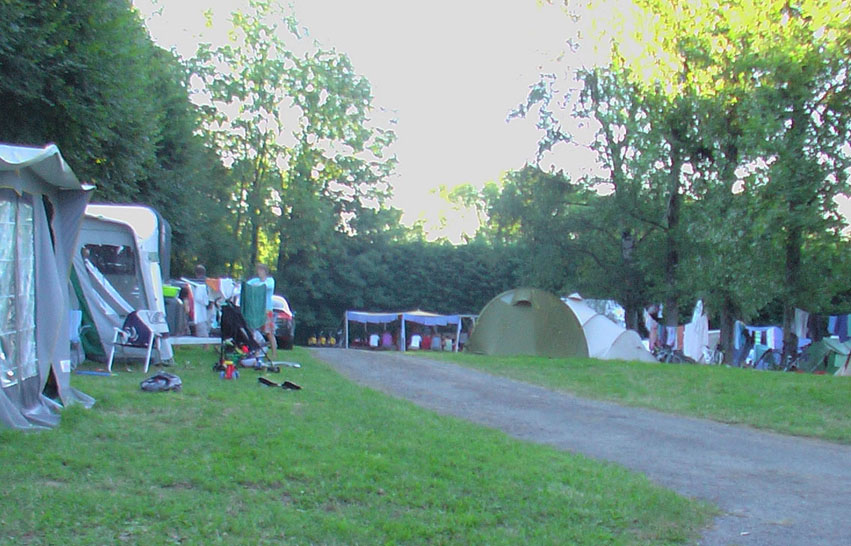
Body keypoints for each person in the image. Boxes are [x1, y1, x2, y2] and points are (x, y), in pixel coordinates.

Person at [247, 263, 277, 358]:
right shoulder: (254, 280)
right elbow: (247, 285)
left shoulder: (270, 281)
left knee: (269, 333)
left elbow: (265, 286)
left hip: (267, 310)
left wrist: (256, 285)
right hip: (257, 309)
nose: (259, 272)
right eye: (258, 270)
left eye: (260, 270)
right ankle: (255, 351)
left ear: (265, 271)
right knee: (253, 331)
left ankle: (274, 354)